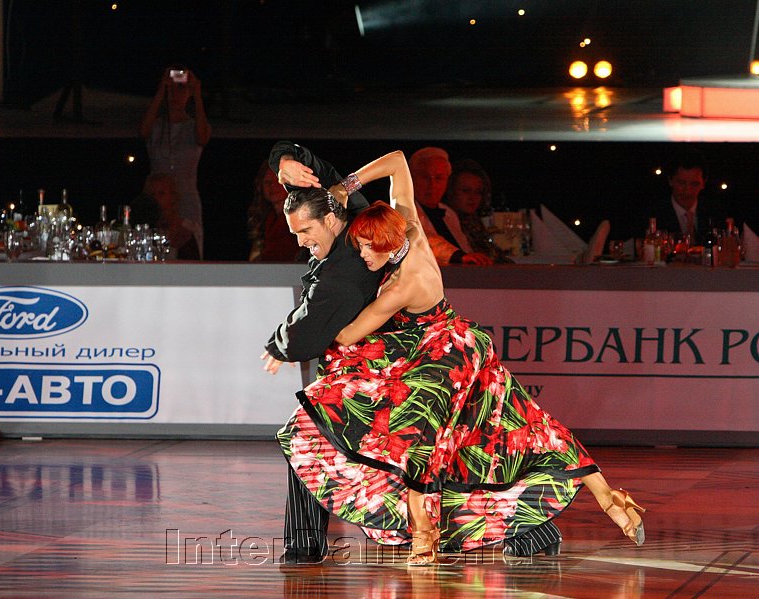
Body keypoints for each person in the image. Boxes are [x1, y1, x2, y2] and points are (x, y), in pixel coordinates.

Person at [277, 150, 646, 566]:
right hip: (463, 345)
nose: (361, 256)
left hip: (441, 360)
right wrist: (347, 186)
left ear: (382, 244)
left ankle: (423, 536)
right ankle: (598, 505)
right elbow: (398, 162)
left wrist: (310, 322)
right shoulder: (411, 229)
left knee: (419, 445)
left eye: (364, 249)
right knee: (516, 433)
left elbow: (346, 335)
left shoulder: (401, 285)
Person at [260, 141, 384, 564]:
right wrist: (286, 162)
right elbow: (324, 174)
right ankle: (304, 545)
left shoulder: (343, 271)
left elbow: (307, 334)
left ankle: (303, 547)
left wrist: (278, 345)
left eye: (305, 232)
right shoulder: (351, 211)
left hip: (374, 372)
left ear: (330, 220)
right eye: (295, 232)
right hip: (373, 364)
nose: (300, 241)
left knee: (305, 440)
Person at [139, 65, 211, 258]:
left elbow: (203, 138)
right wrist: (162, 89)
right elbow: (143, 132)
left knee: (189, 250)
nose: (175, 94)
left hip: (187, 199)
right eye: (171, 89)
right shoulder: (156, 126)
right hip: (158, 198)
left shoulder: (193, 126)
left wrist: (197, 93)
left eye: (181, 88)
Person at [409, 147, 492, 266]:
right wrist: (459, 256)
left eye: (439, 178)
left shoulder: (449, 214)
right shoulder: (402, 211)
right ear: (411, 178)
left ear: (447, 181)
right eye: (425, 177)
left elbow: (465, 250)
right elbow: (423, 240)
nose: (432, 185)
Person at [644, 148, 723, 244]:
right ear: (670, 180)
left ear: (703, 184)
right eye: (681, 183)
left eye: (694, 184)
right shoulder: (653, 215)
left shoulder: (715, 213)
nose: (687, 190)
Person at [445, 158, 513, 263]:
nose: (473, 197)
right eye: (466, 191)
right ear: (451, 191)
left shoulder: (474, 224)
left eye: (478, 192)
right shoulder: (445, 223)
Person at [131, 173, 200, 260]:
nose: (156, 198)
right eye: (152, 194)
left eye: (161, 194)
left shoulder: (186, 230)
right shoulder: (143, 228)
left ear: (173, 197)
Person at [247, 160, 304, 262]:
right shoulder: (266, 217)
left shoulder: (302, 215)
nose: (272, 186)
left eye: (278, 181)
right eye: (267, 182)